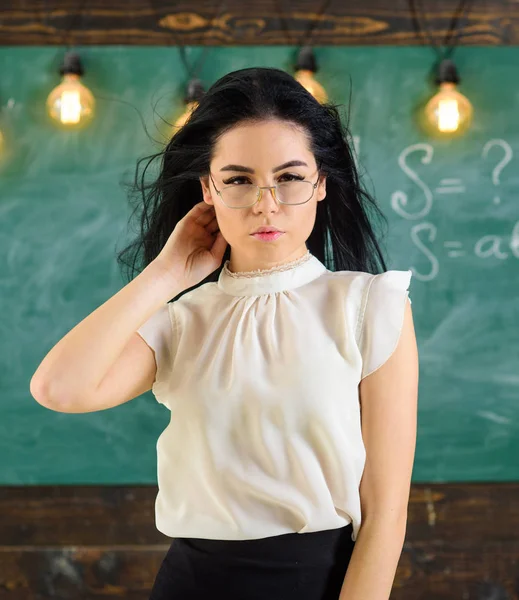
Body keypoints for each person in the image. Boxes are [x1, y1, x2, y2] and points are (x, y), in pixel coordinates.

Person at [30, 67, 419, 599]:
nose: (265, 203)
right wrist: (165, 275)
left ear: (321, 183)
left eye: (289, 177)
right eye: (238, 180)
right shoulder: (181, 319)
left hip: (317, 582)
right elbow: (58, 389)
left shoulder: (371, 305)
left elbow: (386, 514)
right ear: (208, 188)